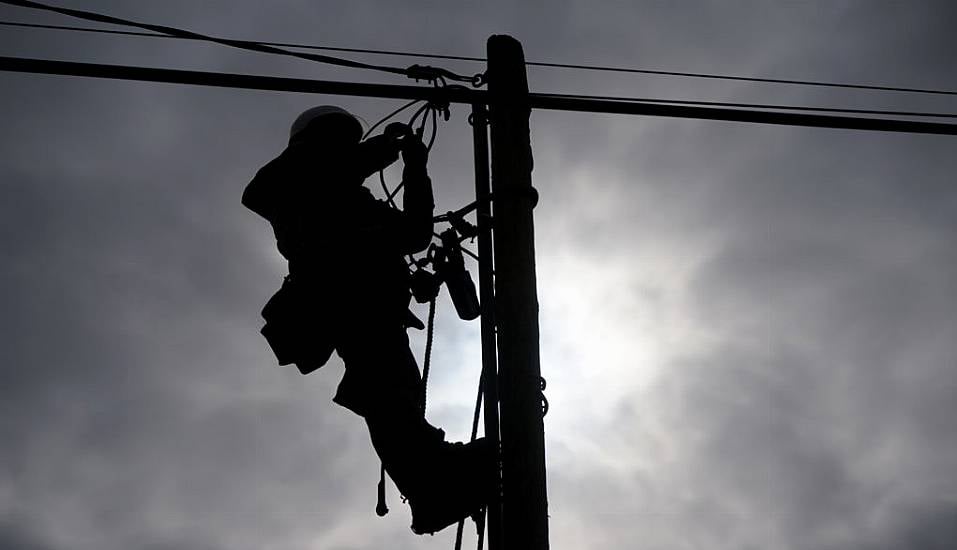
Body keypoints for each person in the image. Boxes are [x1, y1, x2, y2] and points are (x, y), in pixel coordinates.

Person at [242, 105, 490, 535]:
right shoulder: (290, 180)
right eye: (337, 139)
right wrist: (385, 149)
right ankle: (432, 483)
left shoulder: (354, 198)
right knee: (385, 390)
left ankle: (432, 475)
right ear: (314, 139)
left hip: (375, 306)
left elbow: (414, 232)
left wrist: (416, 169)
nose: (344, 148)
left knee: (394, 390)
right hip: (339, 296)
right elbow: (272, 188)